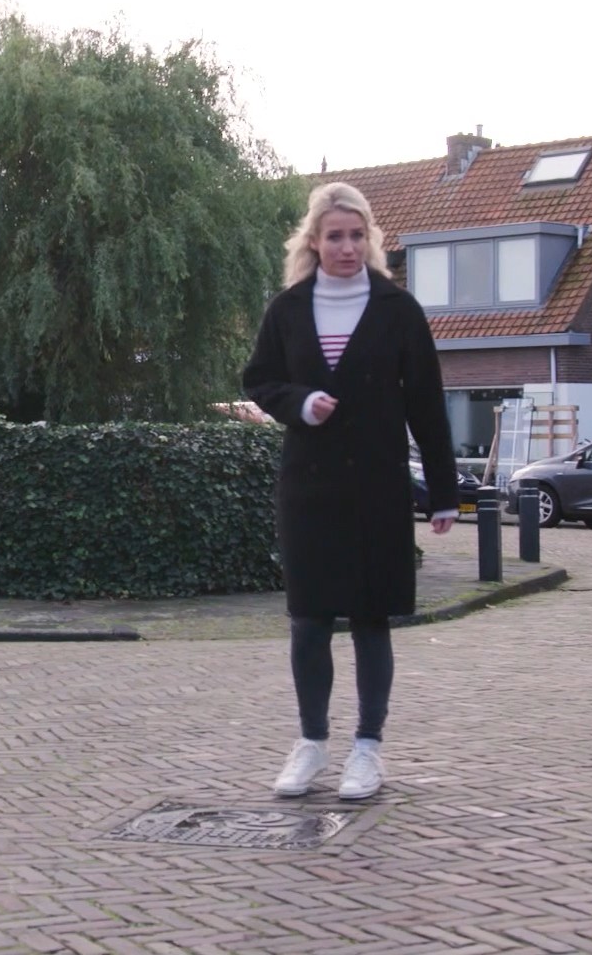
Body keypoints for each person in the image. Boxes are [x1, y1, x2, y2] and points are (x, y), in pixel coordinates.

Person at [239, 181, 459, 801]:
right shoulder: (287, 309)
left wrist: (444, 491)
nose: (347, 247)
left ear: (371, 239)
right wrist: (300, 402)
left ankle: (367, 748)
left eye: (357, 235)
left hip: (377, 488)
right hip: (309, 490)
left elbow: (427, 404)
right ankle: (311, 743)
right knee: (309, 621)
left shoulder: (398, 310)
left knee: (370, 618)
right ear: (313, 241)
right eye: (335, 236)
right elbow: (259, 380)